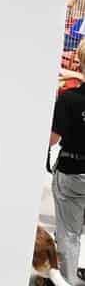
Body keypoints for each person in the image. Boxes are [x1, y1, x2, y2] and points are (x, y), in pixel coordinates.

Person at [50, 60, 85, 283]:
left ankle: (67, 280)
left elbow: (52, 139)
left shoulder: (69, 99)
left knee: (69, 233)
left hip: (73, 172)